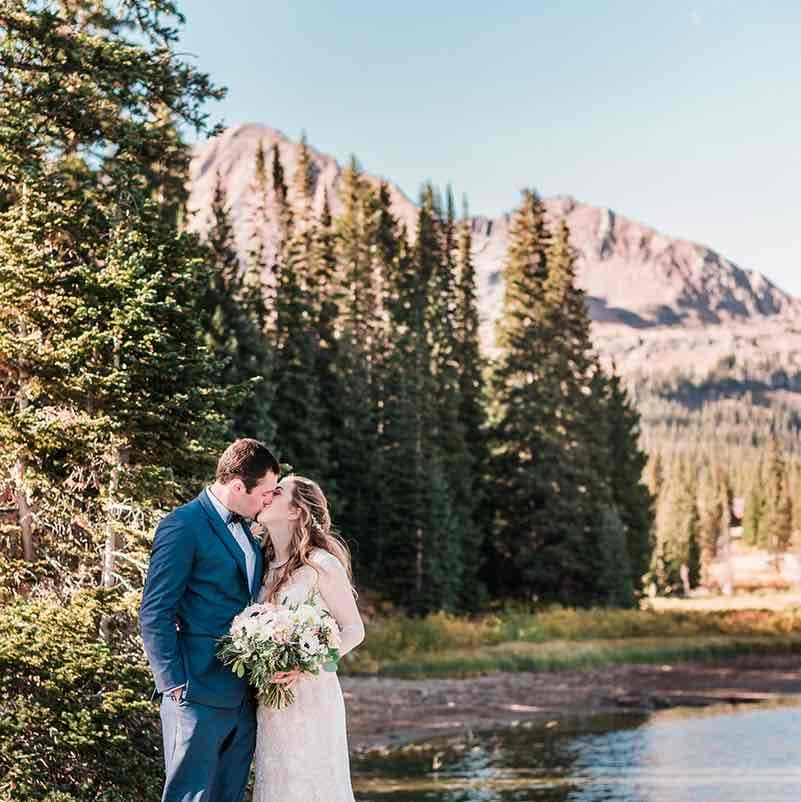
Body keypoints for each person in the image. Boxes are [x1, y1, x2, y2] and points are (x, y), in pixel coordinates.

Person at [140, 438, 280, 802]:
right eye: (265, 492)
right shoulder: (183, 525)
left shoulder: (250, 535)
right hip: (195, 693)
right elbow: (155, 610)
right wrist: (174, 685)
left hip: (241, 696)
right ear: (238, 485)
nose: (269, 500)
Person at [252, 474, 365, 802]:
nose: (267, 495)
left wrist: (307, 665)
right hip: (271, 701)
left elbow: (355, 630)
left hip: (312, 696)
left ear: (295, 511)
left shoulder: (321, 564)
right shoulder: (263, 565)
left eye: (278, 491)